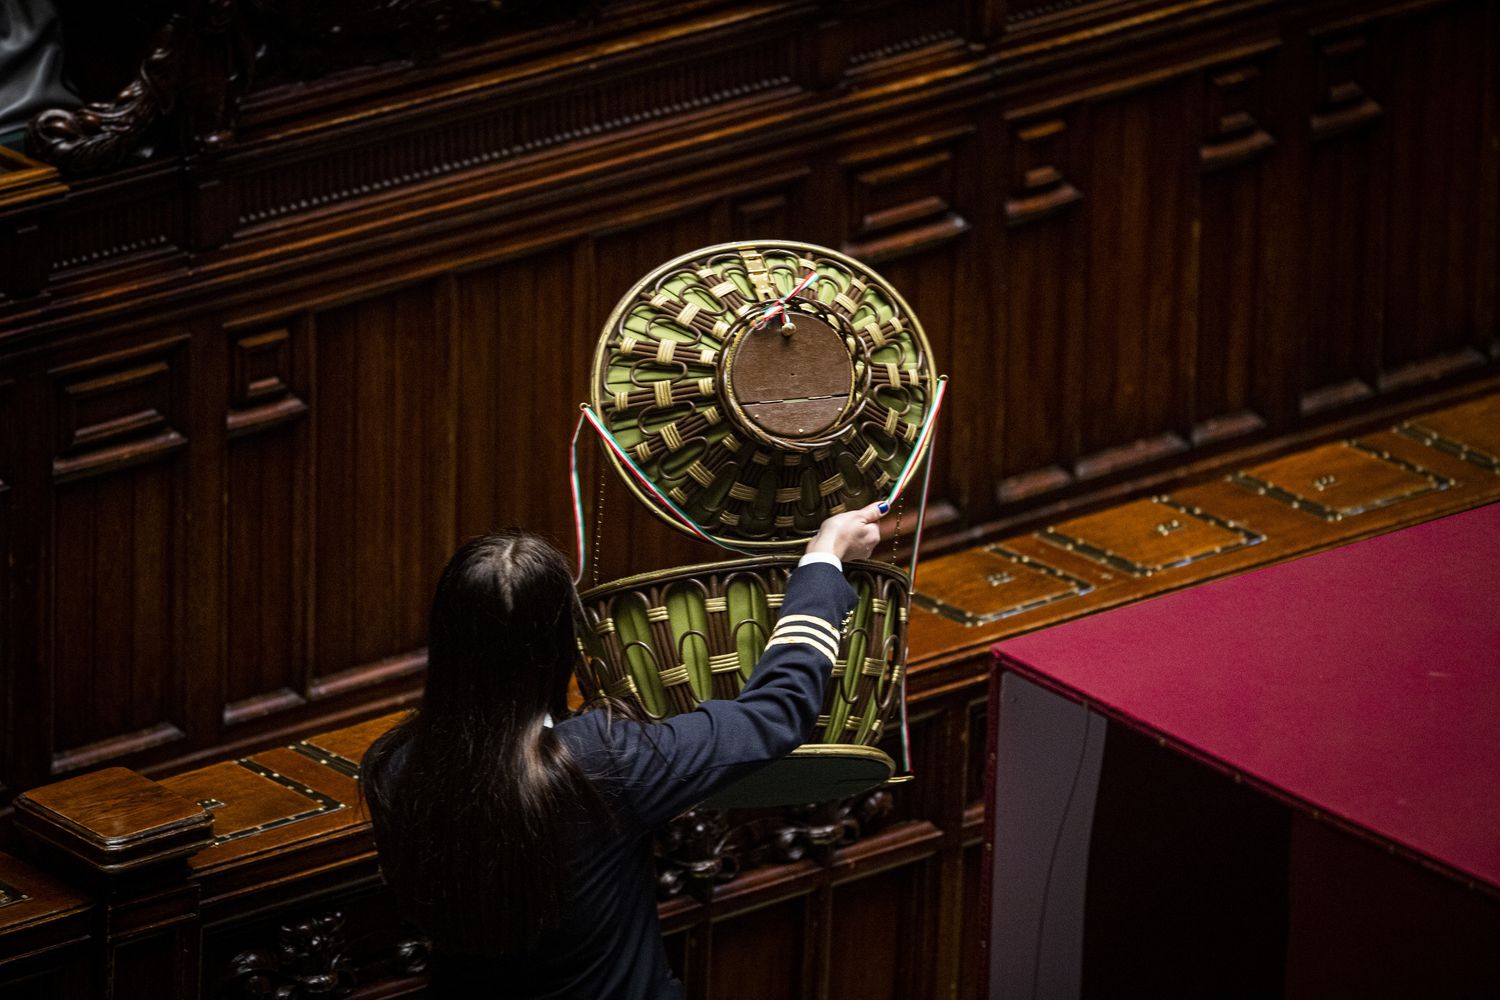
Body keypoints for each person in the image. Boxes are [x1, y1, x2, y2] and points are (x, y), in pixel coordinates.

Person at [362, 504, 886, 999]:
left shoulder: (390, 766)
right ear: (561, 643)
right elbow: (775, 714)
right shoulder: (599, 760)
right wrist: (824, 558)